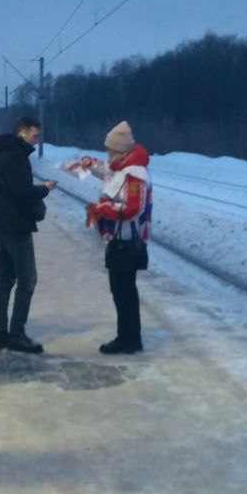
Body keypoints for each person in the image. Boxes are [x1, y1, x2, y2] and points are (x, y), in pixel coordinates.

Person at [80, 121, 152, 354]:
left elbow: (132, 209)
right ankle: (128, 337)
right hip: (118, 239)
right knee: (121, 290)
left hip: (127, 242)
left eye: (111, 150)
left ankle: (129, 339)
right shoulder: (121, 166)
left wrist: (102, 209)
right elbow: (107, 172)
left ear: (122, 150)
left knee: (124, 291)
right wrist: (91, 164)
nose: (107, 154)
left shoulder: (135, 174)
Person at [0, 116, 57, 353]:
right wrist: (44, 190)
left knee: (4, 278)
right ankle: (16, 334)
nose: (36, 140)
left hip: (2, 224)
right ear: (23, 132)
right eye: (34, 135)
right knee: (27, 279)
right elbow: (23, 193)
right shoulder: (15, 157)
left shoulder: (1, 155)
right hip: (16, 226)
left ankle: (1, 333)